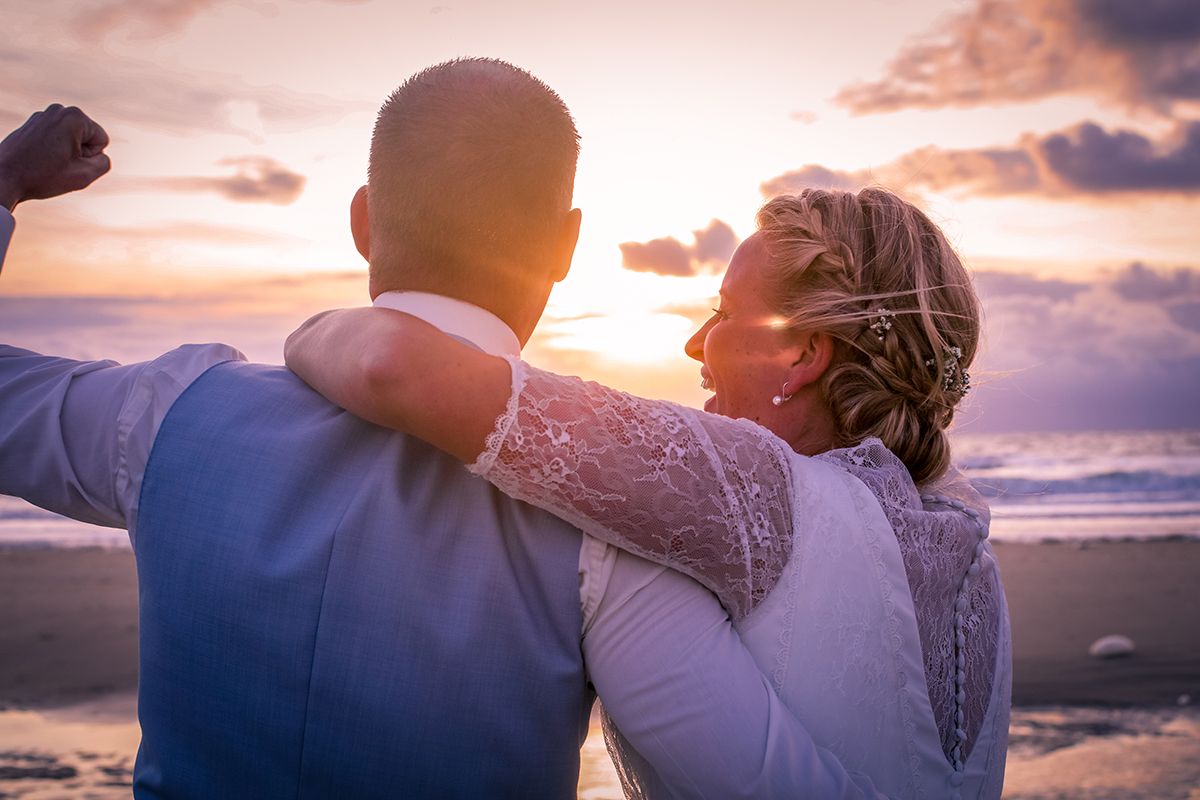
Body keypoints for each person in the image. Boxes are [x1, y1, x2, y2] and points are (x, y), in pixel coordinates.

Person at [0, 63, 896, 798]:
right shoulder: (610, 513)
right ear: (567, 246)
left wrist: (4, 183)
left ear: (361, 222)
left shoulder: (166, 413)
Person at [286, 187, 1013, 797]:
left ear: (800, 353)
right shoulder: (968, 549)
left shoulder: (751, 486)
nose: (696, 344)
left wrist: (306, 335)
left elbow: (389, 363)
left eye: (725, 313)